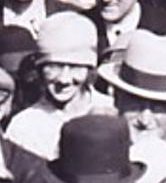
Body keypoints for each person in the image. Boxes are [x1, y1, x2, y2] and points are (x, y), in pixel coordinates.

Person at [6, 12, 113, 159]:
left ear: (90, 68)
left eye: (75, 66)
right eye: (54, 66)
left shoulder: (112, 110)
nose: (64, 79)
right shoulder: (24, 126)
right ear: (39, 68)